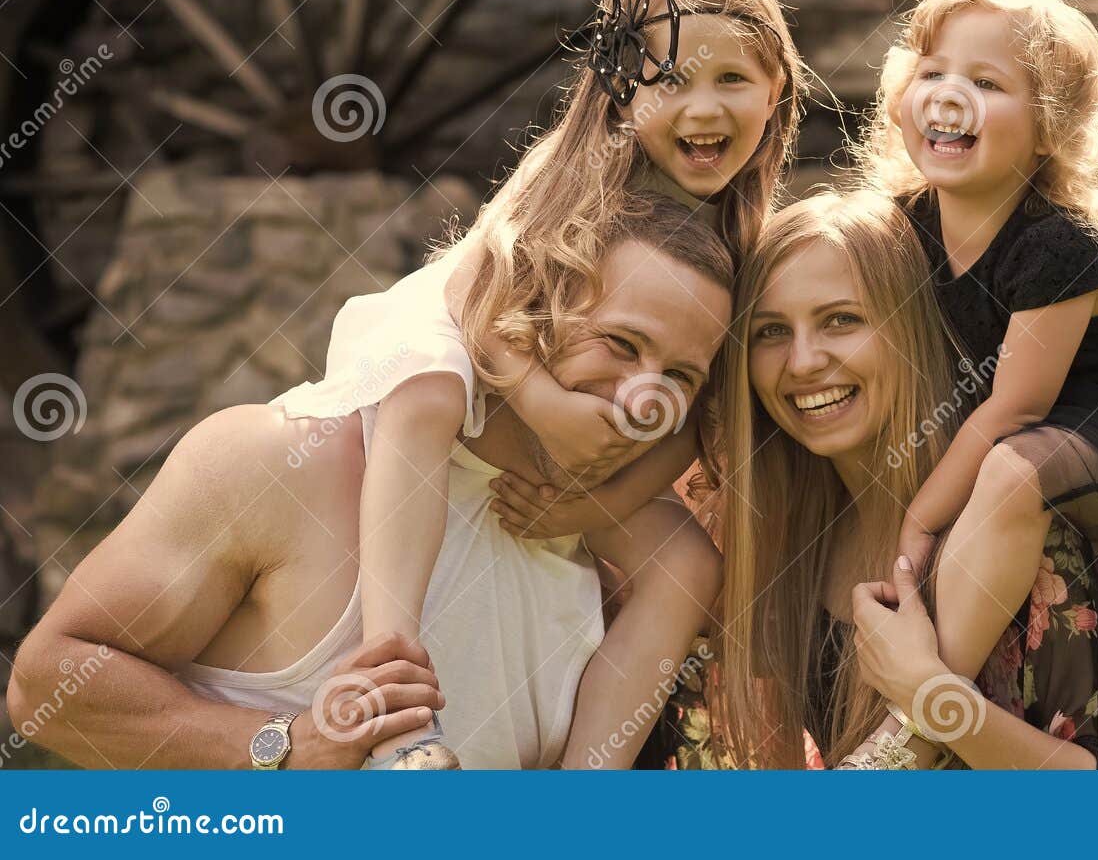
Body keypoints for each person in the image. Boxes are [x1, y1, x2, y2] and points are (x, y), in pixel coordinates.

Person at [269, 0, 809, 767]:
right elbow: (473, 294)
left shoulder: (745, 243)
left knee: (685, 566)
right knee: (427, 389)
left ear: (776, 91)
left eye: (734, 78)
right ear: (624, 92)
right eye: (670, 80)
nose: (703, 108)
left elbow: (694, 411)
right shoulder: (577, 171)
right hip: (490, 362)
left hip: (592, 439)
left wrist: (598, 507)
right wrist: (542, 400)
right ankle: (391, 661)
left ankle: (586, 781)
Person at [6, 197, 733, 770]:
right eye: (620, 342)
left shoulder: (617, 542)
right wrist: (285, 746)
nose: (640, 399)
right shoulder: (279, 460)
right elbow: (44, 686)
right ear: (535, 310)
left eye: (677, 376)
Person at [848, 0, 1098, 765]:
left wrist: (918, 520)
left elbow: (1015, 410)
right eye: (934, 72)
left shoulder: (1060, 249)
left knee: (1014, 473)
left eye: (986, 81)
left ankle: (920, 713)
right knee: (1001, 474)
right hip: (1015, 426)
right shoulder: (907, 224)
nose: (950, 96)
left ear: (1048, 125)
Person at [641, 192, 1098, 768]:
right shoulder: (776, 539)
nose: (804, 362)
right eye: (771, 332)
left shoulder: (1006, 521)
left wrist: (931, 699)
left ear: (908, 331)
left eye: (842, 320)